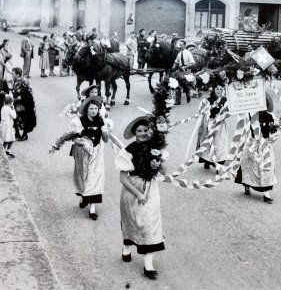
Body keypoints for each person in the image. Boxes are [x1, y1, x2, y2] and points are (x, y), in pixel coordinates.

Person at [115, 116, 166, 280]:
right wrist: (138, 194)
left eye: (146, 130)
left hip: (151, 189)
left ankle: (148, 264)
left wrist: (158, 161)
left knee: (150, 223)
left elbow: (163, 172)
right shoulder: (129, 150)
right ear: (135, 133)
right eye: (139, 131)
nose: (143, 133)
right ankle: (127, 246)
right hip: (133, 189)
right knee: (131, 221)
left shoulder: (156, 148)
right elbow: (123, 178)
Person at [68, 96, 111, 220]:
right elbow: (74, 137)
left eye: (96, 108)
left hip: (97, 153)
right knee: (84, 176)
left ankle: (92, 209)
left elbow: (106, 140)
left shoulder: (101, 121)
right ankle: (84, 197)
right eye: (91, 108)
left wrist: (105, 132)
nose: (93, 111)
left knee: (95, 178)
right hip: (83, 153)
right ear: (87, 110)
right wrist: (84, 143)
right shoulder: (79, 121)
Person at [235, 94, 277, 203]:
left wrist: (272, 137)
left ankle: (266, 192)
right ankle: (247, 185)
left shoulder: (270, 116)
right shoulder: (249, 116)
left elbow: (275, 131)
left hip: (265, 145)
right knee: (250, 166)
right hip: (252, 143)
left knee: (267, 167)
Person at [196, 76, 228, 170]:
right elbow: (202, 113)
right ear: (213, 89)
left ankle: (218, 164)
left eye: (221, 89)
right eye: (217, 89)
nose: (219, 91)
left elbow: (228, 112)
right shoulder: (208, 101)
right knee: (209, 143)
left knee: (220, 143)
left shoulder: (224, 100)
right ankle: (207, 161)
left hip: (221, 126)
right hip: (210, 124)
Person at [12, 67, 37, 141]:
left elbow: (29, 92)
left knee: (25, 118)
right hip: (17, 102)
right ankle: (17, 133)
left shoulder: (24, 81)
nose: (12, 75)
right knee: (16, 117)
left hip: (24, 103)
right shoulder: (15, 81)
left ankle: (24, 134)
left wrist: (21, 97)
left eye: (13, 73)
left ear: (18, 74)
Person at [172, 40, 195, 105]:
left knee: (183, 83)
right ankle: (178, 101)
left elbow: (192, 63)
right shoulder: (179, 54)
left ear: (185, 45)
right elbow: (176, 62)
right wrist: (173, 68)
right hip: (180, 70)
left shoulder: (188, 53)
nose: (180, 46)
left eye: (181, 45)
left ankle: (187, 93)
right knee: (176, 83)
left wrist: (185, 67)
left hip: (186, 70)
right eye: (180, 45)